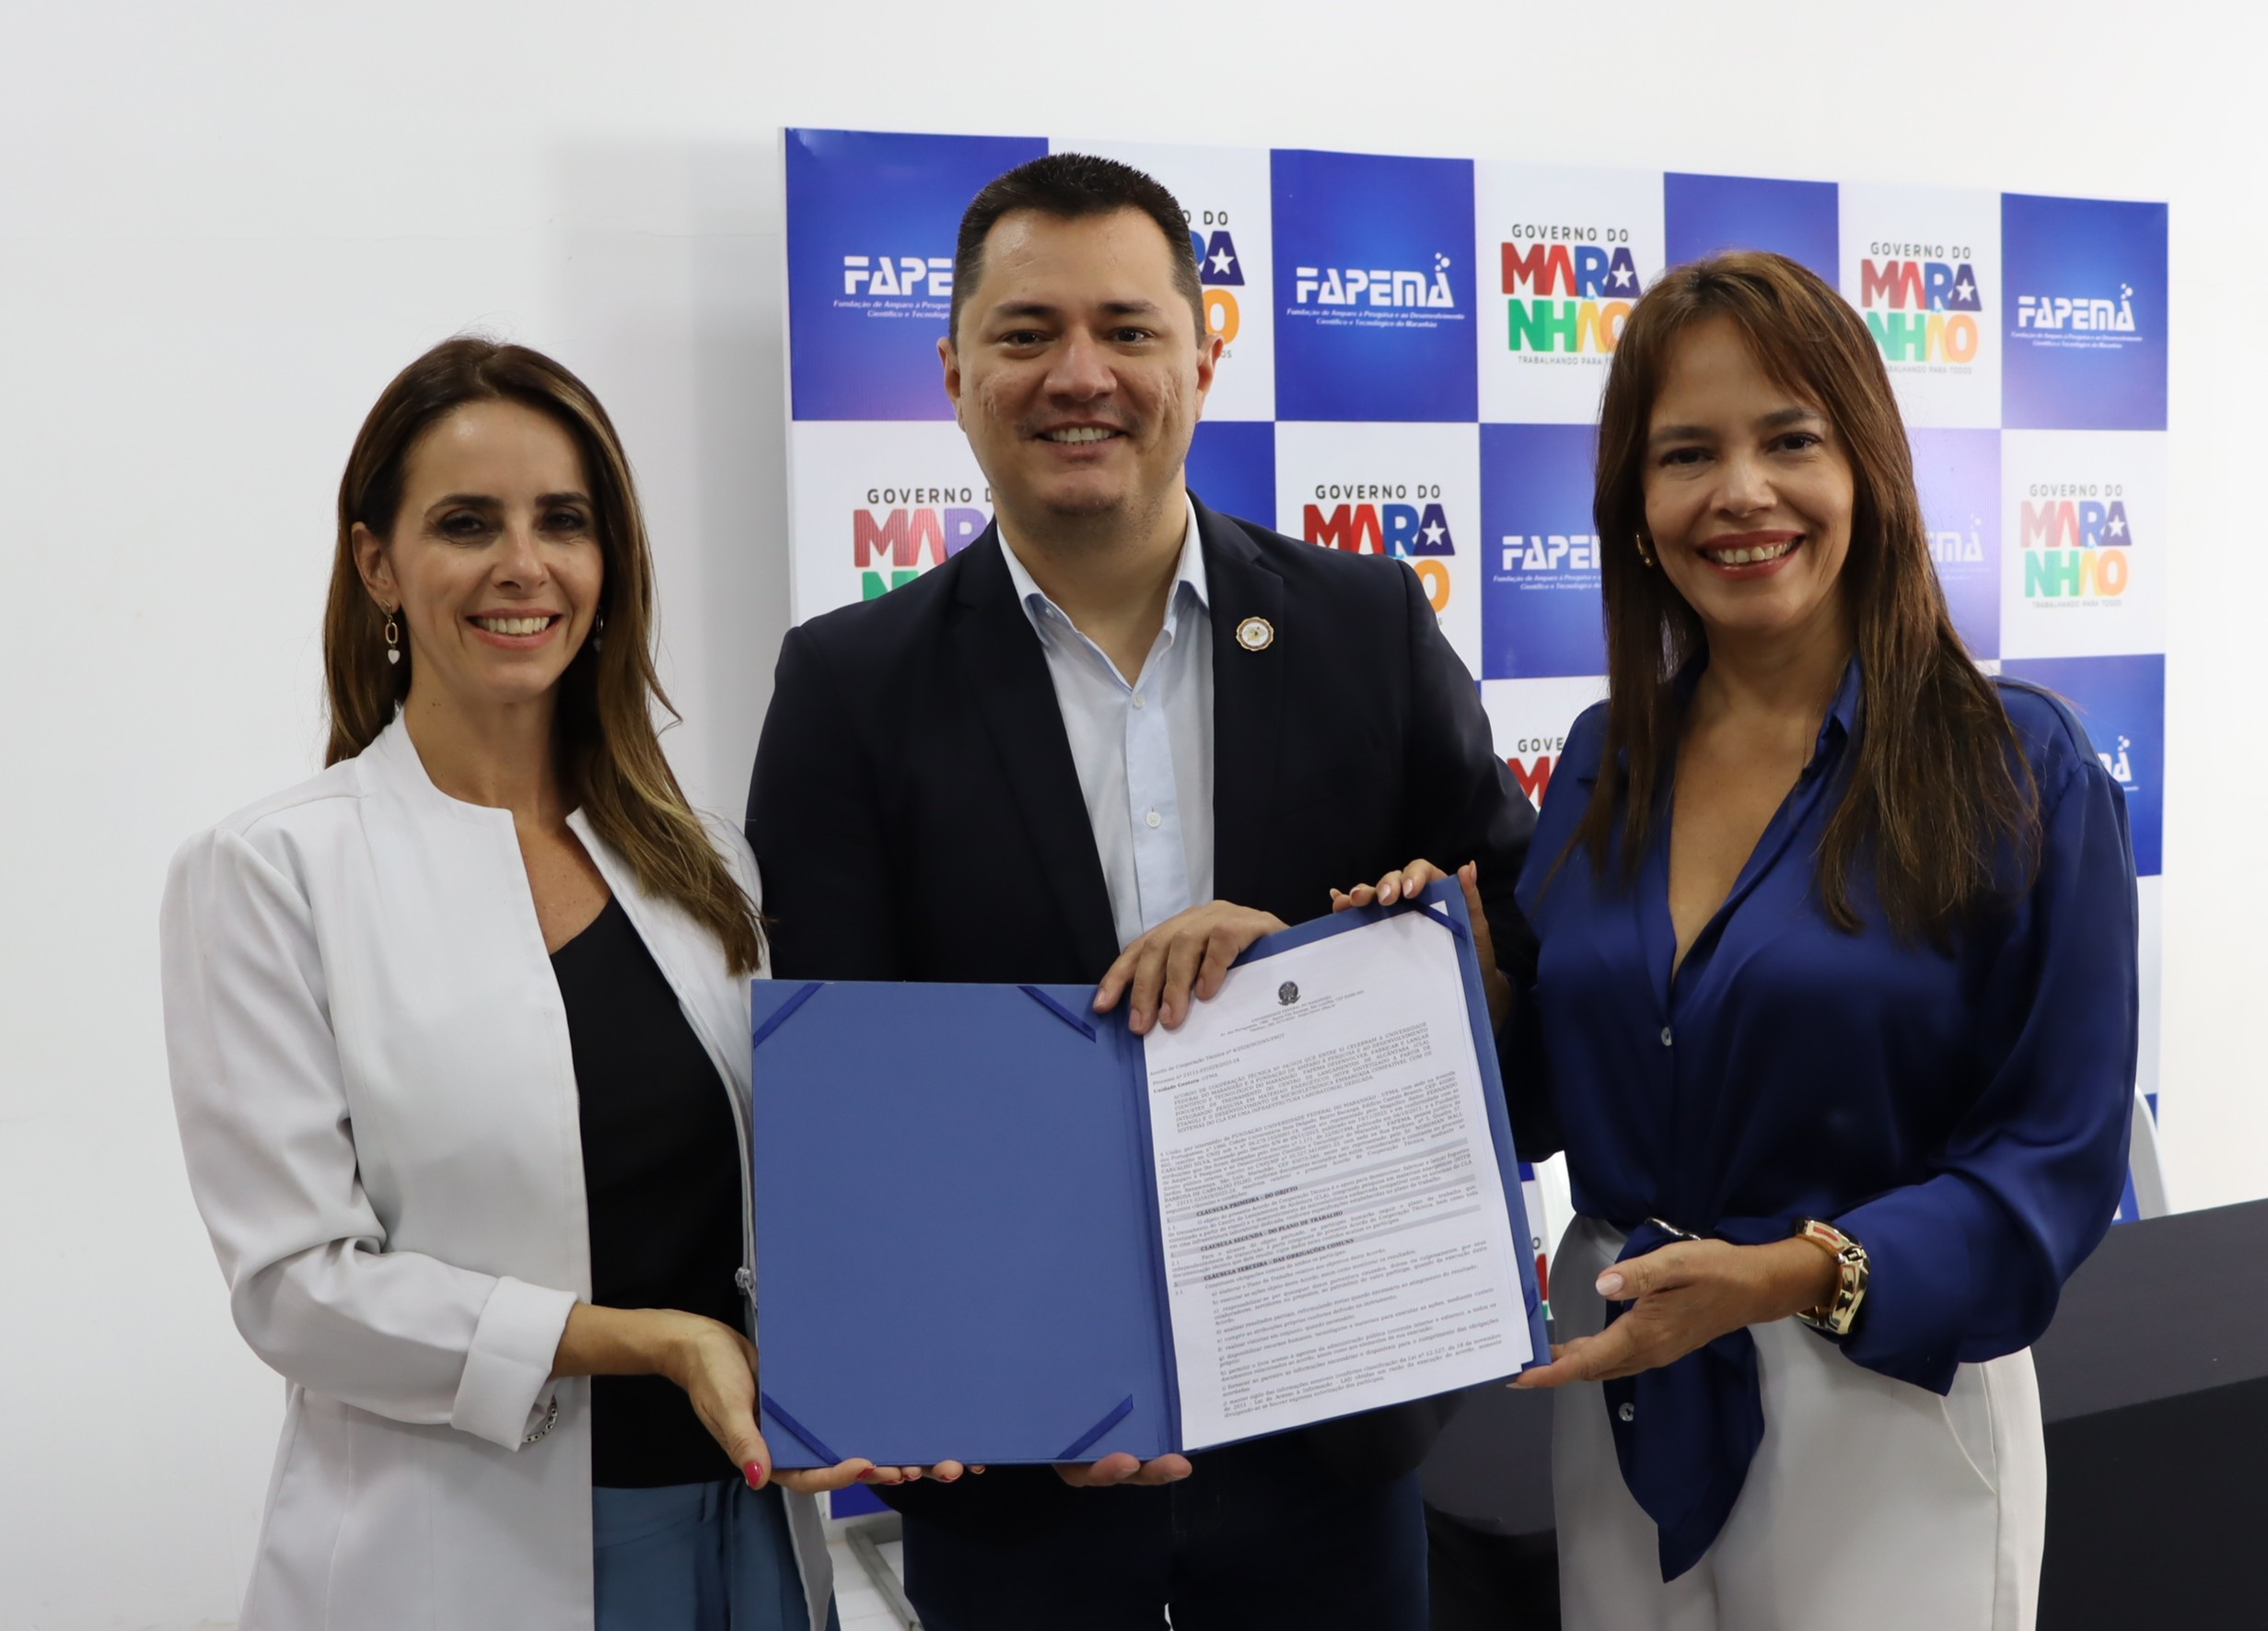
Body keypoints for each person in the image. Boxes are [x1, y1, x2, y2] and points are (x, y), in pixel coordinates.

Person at [746, 153, 1537, 1629]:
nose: (1080, 376)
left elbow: (1516, 968)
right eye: (1027, 333)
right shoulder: (848, 687)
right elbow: (854, 1104)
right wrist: (994, 1377)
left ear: (1204, 354)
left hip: (1332, 1431)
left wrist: (1337, 965)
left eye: (1127, 329)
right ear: (954, 371)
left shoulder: (1366, 626)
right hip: (1016, 1462)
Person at [1347, 250, 2137, 1630]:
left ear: (1868, 468)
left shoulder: (2019, 764)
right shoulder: (1603, 758)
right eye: (1687, 454)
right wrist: (1468, 999)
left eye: (1790, 440)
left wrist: (1784, 1277)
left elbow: (2055, 1158)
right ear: (1636, 508)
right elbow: (1558, 1101)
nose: (1741, 492)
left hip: (1886, 1399)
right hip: (1628, 1386)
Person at [160, 339, 945, 1631]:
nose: (523, 565)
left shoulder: (703, 865)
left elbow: (800, 1198)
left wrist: (915, 1361)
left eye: (564, 522)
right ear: (377, 566)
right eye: (467, 523)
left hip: (748, 1526)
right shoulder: (269, 872)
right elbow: (297, 1289)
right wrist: (644, 1340)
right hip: (461, 1557)